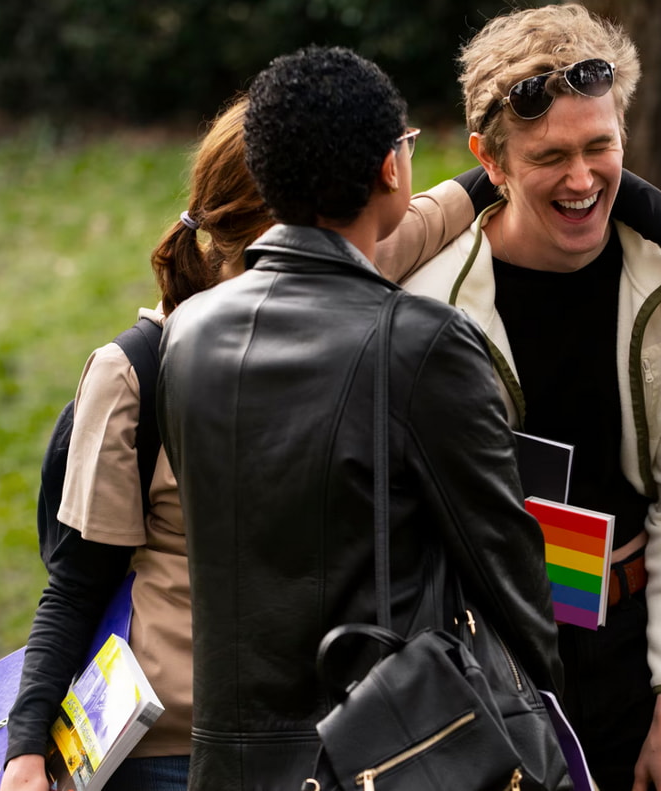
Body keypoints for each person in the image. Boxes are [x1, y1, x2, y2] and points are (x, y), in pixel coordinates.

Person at [154, 45, 569, 791]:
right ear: (390, 169)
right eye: (406, 145)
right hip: (384, 756)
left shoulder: (188, 337)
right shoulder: (421, 344)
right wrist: (546, 709)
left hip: (227, 765)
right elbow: (506, 562)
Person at [403, 6, 661, 790]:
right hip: (480, 653)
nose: (584, 180)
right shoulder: (429, 301)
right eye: (551, 156)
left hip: (634, 643)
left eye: (601, 147)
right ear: (492, 159)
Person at [0, 96, 272, 791]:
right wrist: (26, 747)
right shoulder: (135, 371)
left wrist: (498, 167)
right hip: (166, 758)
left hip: (312, 744)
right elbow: (78, 580)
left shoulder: (352, 344)